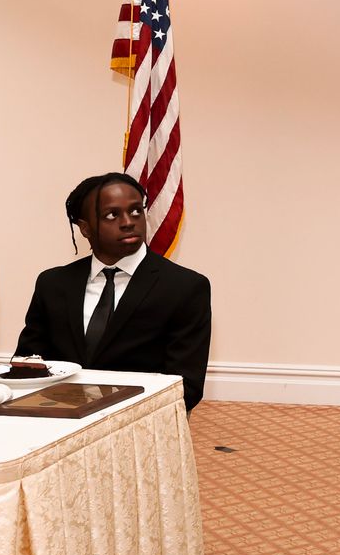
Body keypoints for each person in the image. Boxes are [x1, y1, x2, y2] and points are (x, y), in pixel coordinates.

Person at [15, 172, 212, 411]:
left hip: (140, 419)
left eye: (136, 211)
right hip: (57, 414)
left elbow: (186, 386)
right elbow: (27, 365)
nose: (128, 222)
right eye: (112, 215)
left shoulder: (184, 287)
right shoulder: (53, 283)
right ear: (85, 228)